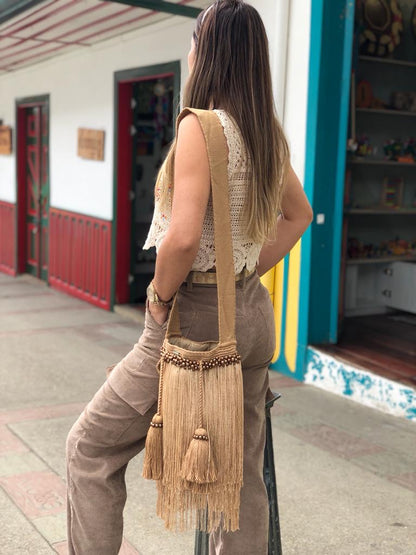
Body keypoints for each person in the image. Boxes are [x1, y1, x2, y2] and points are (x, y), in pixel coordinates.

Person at [65, 1, 313, 553]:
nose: (189, 50)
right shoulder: (264, 131)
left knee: (89, 448)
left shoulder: (200, 126)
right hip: (252, 316)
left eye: (194, 40)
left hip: (193, 321)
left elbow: (180, 239)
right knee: (240, 478)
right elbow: (299, 216)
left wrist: (156, 298)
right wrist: (241, 273)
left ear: (209, 52)